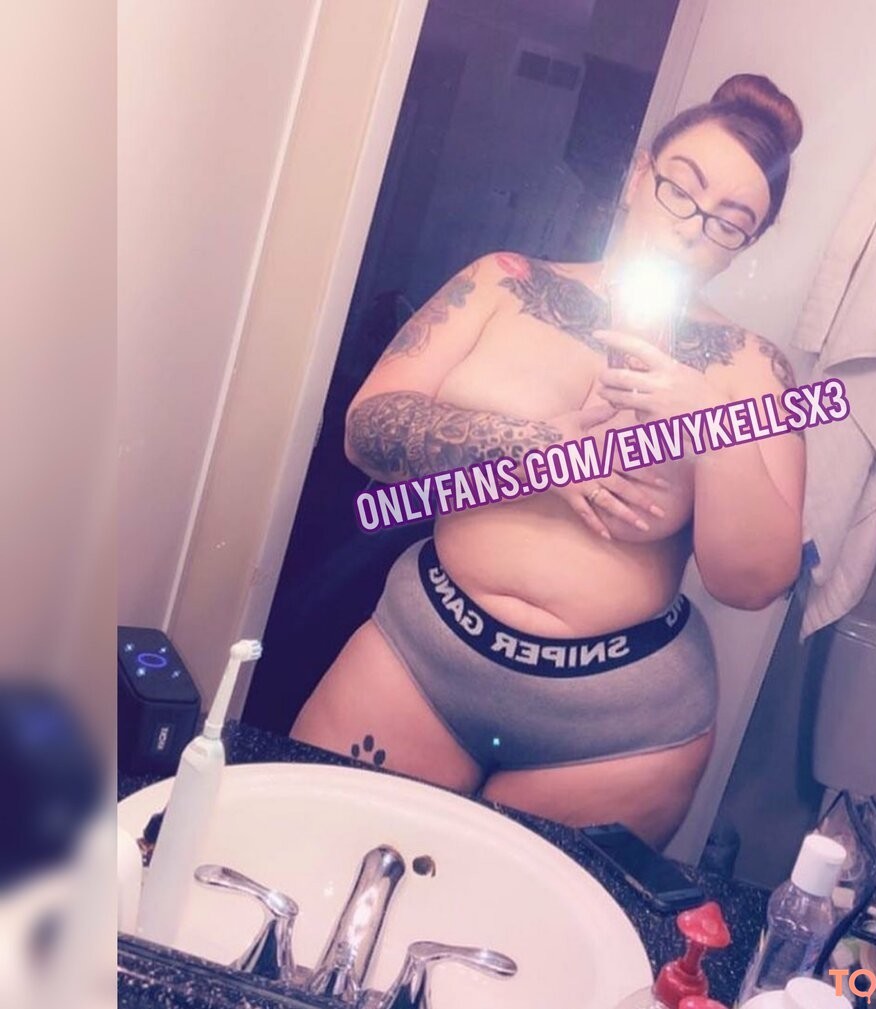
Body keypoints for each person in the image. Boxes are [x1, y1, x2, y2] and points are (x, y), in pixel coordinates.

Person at [292, 74, 806, 847]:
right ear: (639, 174)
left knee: (522, 923)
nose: (693, 229)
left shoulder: (753, 369)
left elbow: (754, 582)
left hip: (618, 728)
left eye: (730, 222)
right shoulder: (504, 282)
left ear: (748, 245)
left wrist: (705, 421)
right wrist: (535, 448)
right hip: (422, 659)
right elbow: (367, 432)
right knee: (316, 856)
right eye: (680, 190)